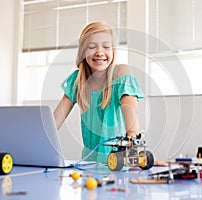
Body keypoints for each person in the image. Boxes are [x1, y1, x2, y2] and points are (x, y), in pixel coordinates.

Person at [53, 21, 167, 166]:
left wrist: (136, 155)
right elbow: (53, 123)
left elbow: (131, 116)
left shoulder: (121, 73)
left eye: (106, 46)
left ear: (113, 50)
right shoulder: (77, 80)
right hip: (89, 164)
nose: (99, 52)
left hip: (118, 164)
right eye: (92, 47)